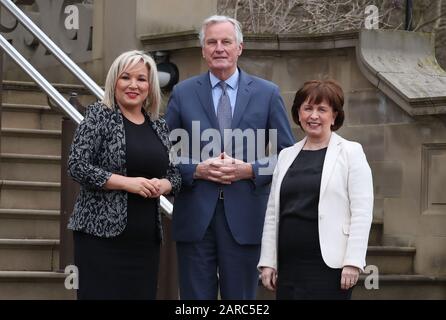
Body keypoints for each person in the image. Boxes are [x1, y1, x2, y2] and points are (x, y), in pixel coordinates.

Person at [165, 15, 295, 300]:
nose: (219, 48)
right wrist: (196, 169)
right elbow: (164, 155)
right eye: (212, 42)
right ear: (203, 50)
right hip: (195, 217)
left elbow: (289, 156)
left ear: (240, 48)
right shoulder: (182, 93)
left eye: (226, 41)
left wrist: (250, 170)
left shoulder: (267, 93)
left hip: (246, 216)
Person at [67, 50, 181, 300]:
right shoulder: (99, 115)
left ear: (150, 86)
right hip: (100, 237)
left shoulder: (158, 125)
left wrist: (162, 185)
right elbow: (77, 165)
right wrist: (128, 184)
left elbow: (175, 175)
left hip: (144, 240)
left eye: (141, 79)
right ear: (114, 81)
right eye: (125, 77)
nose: (133, 85)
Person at [258, 80, 374, 300]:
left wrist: (353, 262)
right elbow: (273, 212)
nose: (313, 116)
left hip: (330, 266)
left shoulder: (351, 152)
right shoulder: (286, 155)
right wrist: (268, 262)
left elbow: (362, 212)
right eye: (307, 108)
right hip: (289, 265)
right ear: (298, 113)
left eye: (322, 109)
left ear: (335, 116)